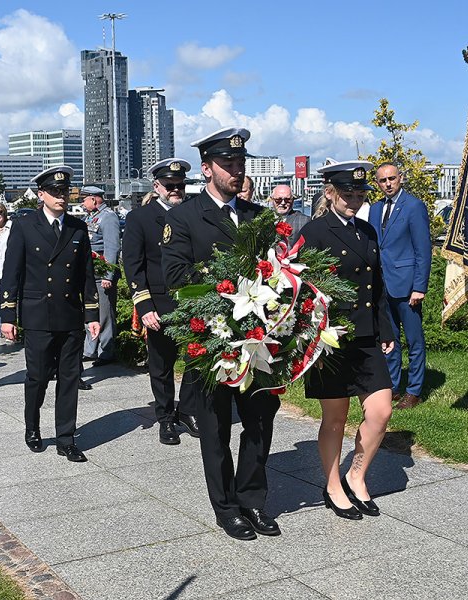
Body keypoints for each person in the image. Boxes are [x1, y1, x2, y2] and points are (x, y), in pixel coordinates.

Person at [162, 127, 281, 541]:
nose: (236, 170)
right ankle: (226, 507)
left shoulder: (256, 217)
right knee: (216, 429)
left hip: (258, 342)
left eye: (240, 163)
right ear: (206, 168)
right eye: (227, 164)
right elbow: (176, 277)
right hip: (211, 342)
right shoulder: (184, 217)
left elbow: (275, 271)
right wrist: (228, 284)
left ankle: (253, 500)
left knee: (260, 421)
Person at [299, 161, 396, 520]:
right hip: (331, 340)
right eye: (347, 194)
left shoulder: (367, 232)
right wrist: (311, 336)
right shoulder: (313, 232)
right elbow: (299, 291)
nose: (354, 200)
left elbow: (377, 285)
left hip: (366, 336)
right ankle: (332, 485)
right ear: (329, 193)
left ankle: (356, 474)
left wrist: (385, 329)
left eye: (359, 194)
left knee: (381, 411)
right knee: (335, 419)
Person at [0, 166, 100, 463]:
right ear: (41, 195)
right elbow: (11, 273)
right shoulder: (25, 225)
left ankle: (66, 438)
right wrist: (8, 315)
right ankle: (32, 427)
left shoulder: (77, 228)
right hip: (37, 315)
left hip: (69, 314)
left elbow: (86, 275)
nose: (61, 197)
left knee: (69, 378)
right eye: (55, 192)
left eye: (65, 192)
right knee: (38, 377)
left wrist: (91, 314)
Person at [122, 158, 200, 445]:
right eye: (170, 186)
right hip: (159, 303)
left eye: (180, 185)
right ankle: (166, 418)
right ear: (157, 187)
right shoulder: (139, 219)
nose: (176, 190)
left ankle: (188, 411)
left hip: (193, 302)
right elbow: (133, 264)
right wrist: (144, 306)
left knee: (197, 359)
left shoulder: (194, 214)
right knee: (162, 365)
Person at [368, 162, 431, 409]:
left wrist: (420, 286)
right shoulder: (375, 209)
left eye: (392, 179)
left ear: (400, 178)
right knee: (389, 339)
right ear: (377, 183)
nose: (388, 184)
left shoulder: (414, 206)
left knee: (414, 340)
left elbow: (423, 250)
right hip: (383, 285)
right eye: (383, 181)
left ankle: (414, 390)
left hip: (407, 287)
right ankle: (392, 386)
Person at [81, 184, 120, 366]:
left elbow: (112, 248)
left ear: (94, 199)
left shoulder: (108, 217)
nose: (82, 203)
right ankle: (90, 350)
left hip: (102, 274)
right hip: (90, 274)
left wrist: (108, 275)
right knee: (91, 312)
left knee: (105, 314)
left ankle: (106, 351)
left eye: (84, 199)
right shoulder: (91, 217)